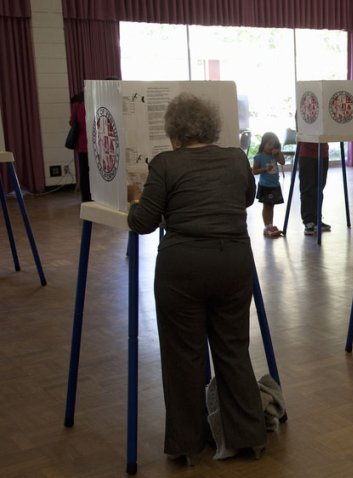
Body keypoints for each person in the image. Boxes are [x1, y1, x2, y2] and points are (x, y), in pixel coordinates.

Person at [126, 93, 266, 463]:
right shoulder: (237, 158)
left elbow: (143, 224)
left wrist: (136, 202)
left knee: (182, 357)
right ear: (211, 129)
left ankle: (186, 446)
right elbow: (247, 198)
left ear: (174, 134)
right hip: (234, 263)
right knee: (233, 349)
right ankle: (248, 436)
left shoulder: (166, 164)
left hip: (182, 268)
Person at [252, 132, 286, 237]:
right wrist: (265, 169)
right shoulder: (259, 157)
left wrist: (279, 153)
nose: (271, 147)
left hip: (275, 184)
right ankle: (267, 226)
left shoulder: (274, 155)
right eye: (269, 144)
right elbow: (254, 171)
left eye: (274, 145)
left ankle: (270, 225)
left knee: (271, 206)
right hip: (265, 185)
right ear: (264, 144)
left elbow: (283, 162)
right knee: (267, 206)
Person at [296, 137, 331, 236]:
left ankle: (316, 219)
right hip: (306, 153)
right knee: (307, 188)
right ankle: (308, 221)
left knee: (319, 188)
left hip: (323, 152)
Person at [69, 90, 91, 202]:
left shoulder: (77, 105)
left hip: (82, 144)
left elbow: (72, 122)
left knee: (84, 173)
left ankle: (86, 198)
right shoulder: (96, 103)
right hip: (97, 145)